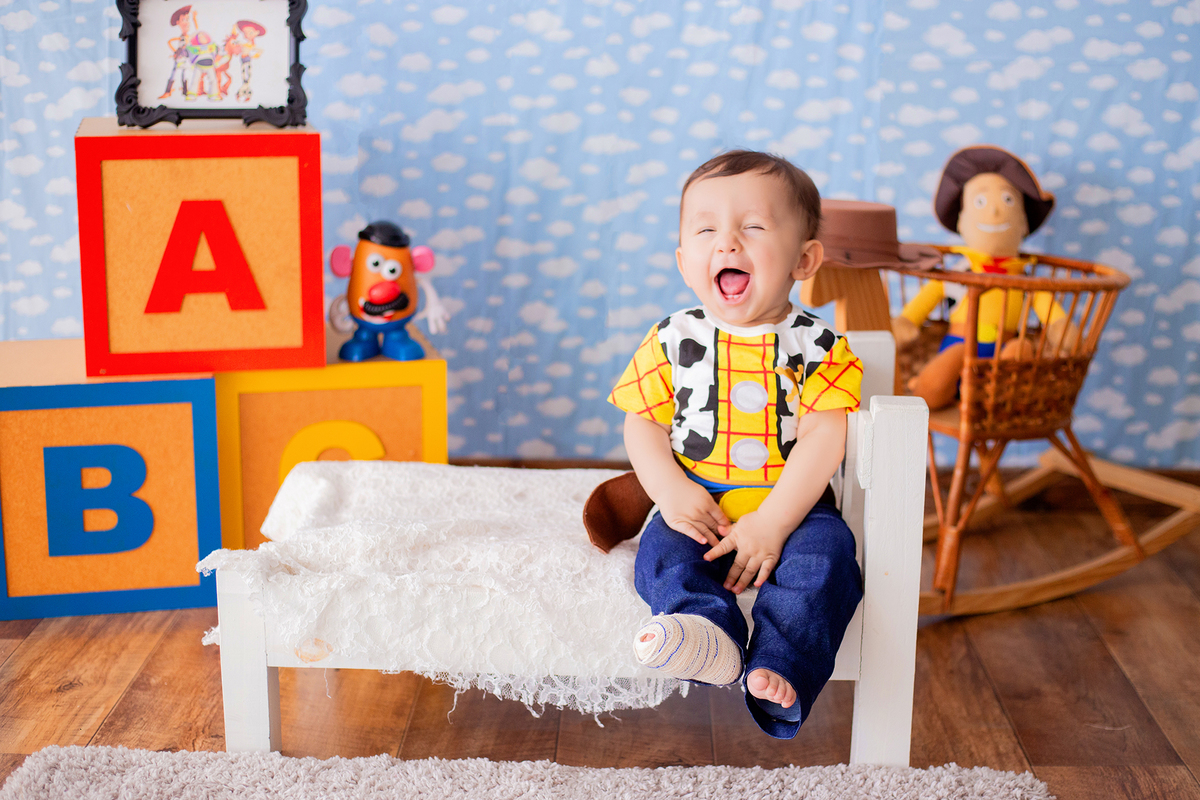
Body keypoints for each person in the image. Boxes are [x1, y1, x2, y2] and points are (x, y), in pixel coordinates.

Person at [607, 150, 864, 738]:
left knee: (827, 560)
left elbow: (826, 433)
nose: (726, 244)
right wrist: (670, 492)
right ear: (683, 260)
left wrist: (775, 520)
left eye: (752, 227)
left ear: (804, 259)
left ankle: (781, 658)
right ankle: (707, 632)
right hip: (700, 497)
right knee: (663, 554)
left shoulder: (818, 346)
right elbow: (642, 422)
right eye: (705, 230)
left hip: (794, 505)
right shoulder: (672, 338)